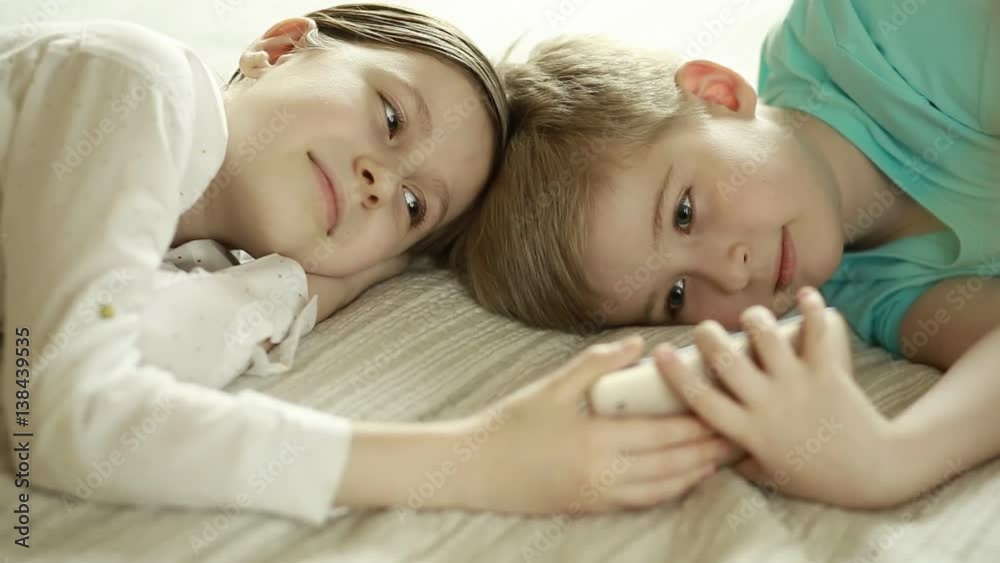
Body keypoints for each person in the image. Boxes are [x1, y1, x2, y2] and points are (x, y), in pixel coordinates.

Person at [0, 4, 734, 524]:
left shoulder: (199, 266)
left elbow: (111, 367)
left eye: (414, 207)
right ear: (283, 46)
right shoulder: (136, 82)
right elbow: (62, 422)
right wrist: (477, 462)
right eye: (389, 118)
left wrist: (296, 284)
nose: (382, 181)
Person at [452, 0, 1000, 509]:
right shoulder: (859, 288)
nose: (730, 272)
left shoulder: (876, 29)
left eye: (685, 212)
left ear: (717, 93)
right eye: (676, 295)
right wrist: (887, 459)